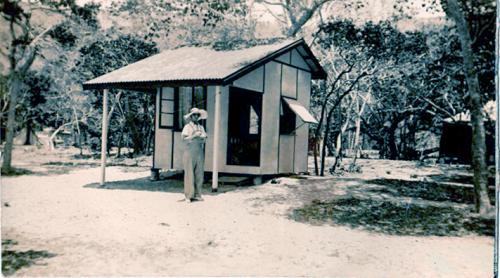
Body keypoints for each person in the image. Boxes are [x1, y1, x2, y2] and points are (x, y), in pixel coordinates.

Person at [182, 107, 208, 202]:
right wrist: (194, 136)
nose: (196, 116)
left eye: (198, 115)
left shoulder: (201, 127)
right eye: (194, 115)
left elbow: (204, 139)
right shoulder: (187, 127)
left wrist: (203, 137)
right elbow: (184, 139)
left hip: (199, 151)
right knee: (189, 173)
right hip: (189, 151)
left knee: (199, 173)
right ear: (191, 116)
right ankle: (188, 196)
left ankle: (198, 194)